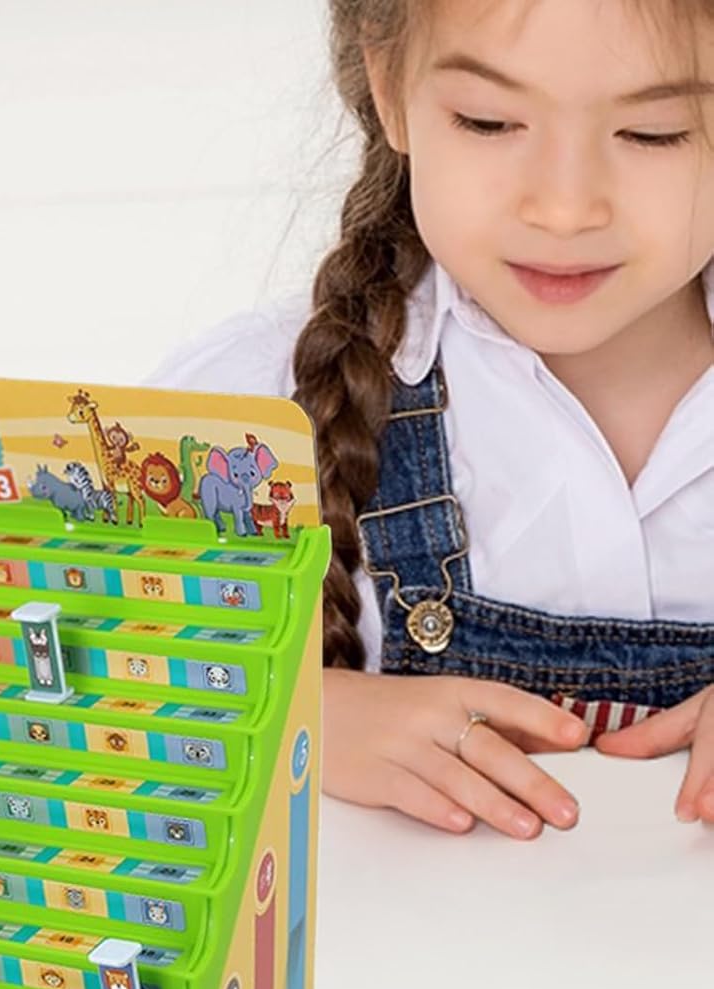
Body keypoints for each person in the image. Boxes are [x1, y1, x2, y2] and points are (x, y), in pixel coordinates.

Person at [151, 0, 714, 840]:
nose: (564, 209)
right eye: (489, 122)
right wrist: (293, 713)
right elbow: (62, 695)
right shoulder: (247, 417)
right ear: (389, 87)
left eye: (653, 133)